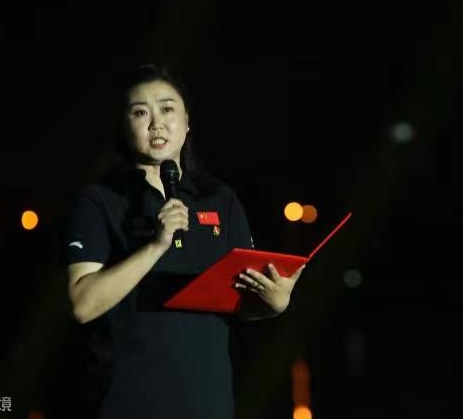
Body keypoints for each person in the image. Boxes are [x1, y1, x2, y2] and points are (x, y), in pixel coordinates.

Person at [63, 63, 304, 419]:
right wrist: (156, 246)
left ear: (187, 121)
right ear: (124, 127)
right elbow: (82, 305)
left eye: (167, 109)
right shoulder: (100, 201)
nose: (156, 124)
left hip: (208, 405)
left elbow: (240, 301)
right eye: (140, 112)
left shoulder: (220, 199)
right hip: (127, 406)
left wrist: (274, 302)